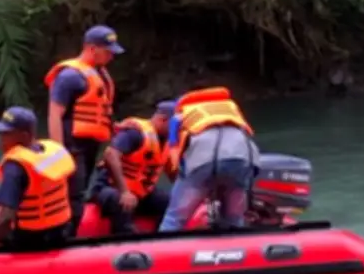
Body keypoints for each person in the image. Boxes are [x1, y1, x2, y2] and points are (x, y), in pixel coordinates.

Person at [44, 24, 123, 237]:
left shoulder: (101, 76)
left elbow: (101, 112)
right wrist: (59, 152)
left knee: (80, 192)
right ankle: (64, 237)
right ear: (91, 48)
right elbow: (54, 115)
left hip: (90, 145)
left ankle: (72, 233)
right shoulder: (70, 76)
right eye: (107, 51)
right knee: (74, 195)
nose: (111, 57)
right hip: (72, 146)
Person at [158, 86, 260, 231]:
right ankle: (234, 248)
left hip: (205, 159)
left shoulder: (179, 114)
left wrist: (180, 179)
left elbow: (173, 152)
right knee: (234, 219)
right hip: (243, 156)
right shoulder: (230, 108)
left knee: (174, 219)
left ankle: (163, 249)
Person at [0, 107, 75, 248]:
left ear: (24, 136)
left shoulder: (15, 166)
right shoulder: (50, 152)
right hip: (61, 231)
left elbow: (6, 218)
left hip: (31, 237)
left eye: (6, 134)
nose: (0, 139)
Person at [90, 101, 175, 234]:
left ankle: (161, 238)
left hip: (140, 193)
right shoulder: (135, 133)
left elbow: (172, 171)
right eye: (175, 125)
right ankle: (125, 237)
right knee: (118, 200)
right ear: (162, 120)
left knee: (169, 201)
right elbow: (110, 154)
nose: (177, 129)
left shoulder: (165, 142)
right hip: (109, 188)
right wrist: (124, 191)